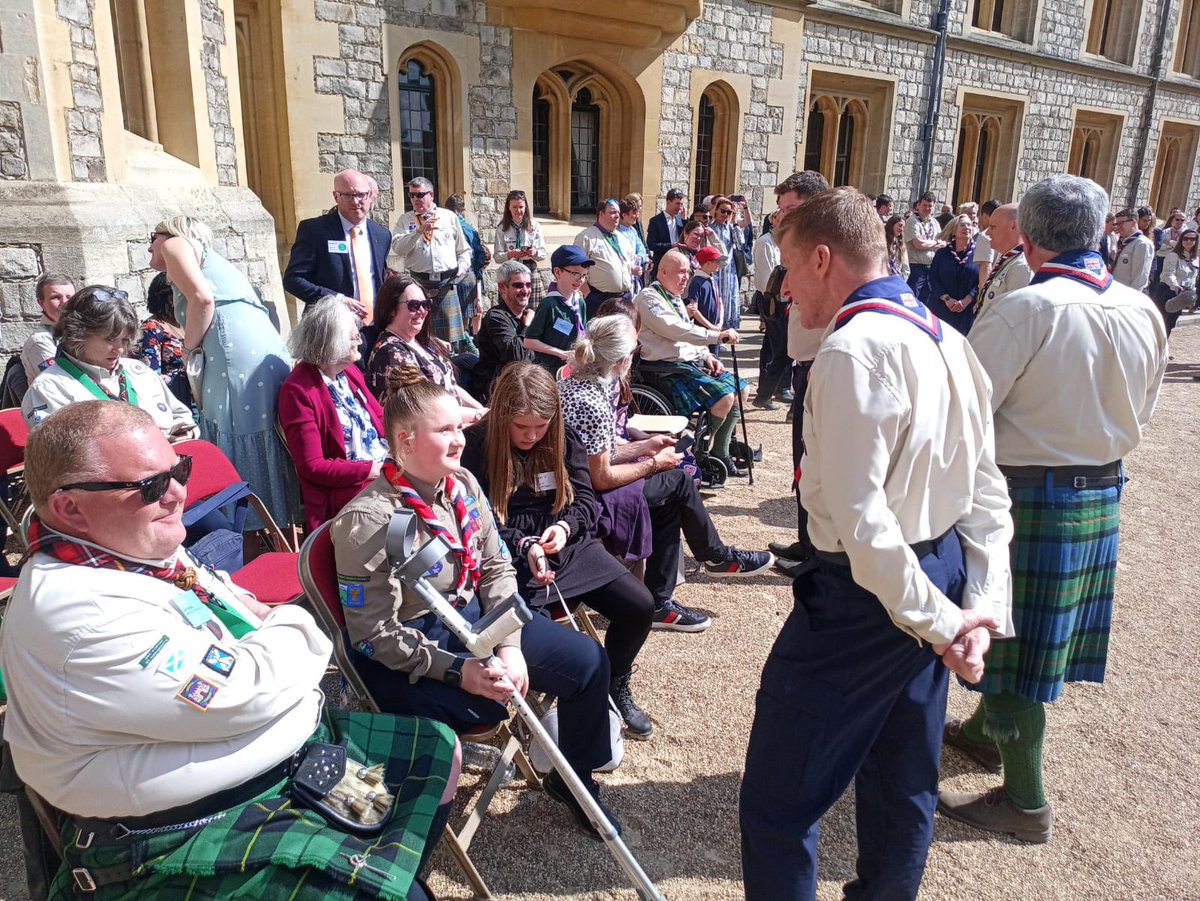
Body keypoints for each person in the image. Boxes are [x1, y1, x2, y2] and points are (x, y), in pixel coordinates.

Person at [0, 400, 457, 901]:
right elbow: (248, 690)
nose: (179, 494)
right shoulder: (78, 616)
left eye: (179, 469)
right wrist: (296, 622)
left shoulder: (135, 548)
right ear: (70, 507)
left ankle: (389, 867)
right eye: (151, 486)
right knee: (393, 895)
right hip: (170, 835)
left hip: (279, 768)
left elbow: (248, 656)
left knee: (440, 750)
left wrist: (268, 643)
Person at [739, 187, 1014, 901]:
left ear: (824, 257)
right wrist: (973, 608)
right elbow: (985, 496)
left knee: (779, 803)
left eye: (790, 269)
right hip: (934, 573)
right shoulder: (949, 339)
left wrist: (958, 623)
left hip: (864, 598)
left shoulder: (854, 351)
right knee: (902, 784)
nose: (785, 289)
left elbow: (864, 525)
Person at [943, 174, 1167, 844]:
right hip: (1099, 490)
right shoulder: (1143, 309)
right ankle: (985, 733)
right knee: (1033, 642)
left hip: (1024, 493)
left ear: (1030, 236)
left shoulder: (1026, 306)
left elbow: (966, 406)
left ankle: (1025, 800)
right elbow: (1144, 413)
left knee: (1012, 649)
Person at [331, 366, 621, 836]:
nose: (459, 439)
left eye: (459, 427)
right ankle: (404, 837)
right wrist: (457, 671)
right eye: (444, 430)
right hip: (413, 644)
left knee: (588, 662)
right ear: (404, 441)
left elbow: (496, 567)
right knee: (471, 722)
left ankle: (575, 778)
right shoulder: (369, 521)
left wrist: (509, 644)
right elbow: (373, 635)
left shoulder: (461, 484)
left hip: (473, 620)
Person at [461, 362, 656, 738]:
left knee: (640, 606)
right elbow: (477, 519)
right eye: (522, 427)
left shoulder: (561, 436)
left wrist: (566, 527)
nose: (533, 435)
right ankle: (559, 705)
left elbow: (585, 497)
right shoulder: (475, 446)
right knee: (543, 639)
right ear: (502, 416)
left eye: (541, 425)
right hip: (510, 557)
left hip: (567, 545)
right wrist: (525, 544)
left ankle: (615, 682)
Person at [559, 315, 774, 633]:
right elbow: (599, 477)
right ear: (621, 359)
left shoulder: (582, 382)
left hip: (580, 484)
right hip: (585, 499)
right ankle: (711, 560)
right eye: (635, 348)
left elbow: (599, 453)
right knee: (676, 481)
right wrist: (653, 462)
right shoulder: (593, 398)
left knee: (673, 490)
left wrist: (645, 445)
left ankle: (673, 590)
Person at [148, 216, 295, 529]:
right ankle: (270, 525)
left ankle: (248, 529)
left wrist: (188, 348)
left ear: (170, 234)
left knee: (238, 429)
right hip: (251, 351)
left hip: (232, 355)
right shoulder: (207, 259)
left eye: (153, 237)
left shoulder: (175, 244)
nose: (149, 246)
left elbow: (202, 299)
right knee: (258, 430)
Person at [23, 285, 197, 442]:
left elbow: (182, 416)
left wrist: (184, 433)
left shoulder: (139, 372)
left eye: (125, 340)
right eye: (110, 339)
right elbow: (60, 457)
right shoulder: (49, 388)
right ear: (78, 334)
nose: (119, 349)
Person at [632, 250, 749, 476]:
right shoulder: (649, 298)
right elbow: (676, 330)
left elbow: (689, 338)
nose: (686, 277)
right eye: (681, 272)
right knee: (724, 398)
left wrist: (708, 356)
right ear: (663, 272)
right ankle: (701, 452)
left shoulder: (674, 297)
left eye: (688, 272)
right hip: (665, 369)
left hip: (690, 364)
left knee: (742, 390)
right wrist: (716, 335)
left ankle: (720, 450)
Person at [278, 296, 388, 533]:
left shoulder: (348, 373)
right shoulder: (298, 390)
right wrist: (371, 470)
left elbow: (379, 420)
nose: (359, 341)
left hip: (382, 466)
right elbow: (312, 466)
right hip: (350, 487)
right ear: (331, 344)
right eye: (353, 337)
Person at [766, 170, 830, 576]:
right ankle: (806, 541)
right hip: (804, 363)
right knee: (801, 460)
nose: (782, 216)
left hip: (822, 364)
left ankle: (817, 553)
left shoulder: (826, 249)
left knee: (816, 461)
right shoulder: (800, 246)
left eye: (790, 208)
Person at [283, 169, 392, 354]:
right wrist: (337, 300)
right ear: (336, 196)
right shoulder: (315, 231)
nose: (356, 201)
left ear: (370, 195)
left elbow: (379, 281)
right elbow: (293, 280)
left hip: (374, 333)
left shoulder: (382, 235)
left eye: (361, 195)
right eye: (348, 195)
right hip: (332, 333)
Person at [366, 275, 486, 422]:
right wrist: (478, 416)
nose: (422, 311)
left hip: (453, 422)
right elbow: (423, 410)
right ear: (391, 309)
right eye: (414, 305)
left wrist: (481, 410)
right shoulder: (390, 352)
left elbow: (451, 387)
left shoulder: (424, 343)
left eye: (426, 304)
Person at [391, 177, 474, 353]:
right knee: (420, 335)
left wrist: (463, 266)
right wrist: (418, 232)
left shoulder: (448, 217)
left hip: (446, 285)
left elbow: (464, 250)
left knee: (450, 343)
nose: (415, 199)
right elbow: (398, 248)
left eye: (420, 195)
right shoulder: (405, 220)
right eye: (412, 195)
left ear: (431, 195)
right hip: (418, 285)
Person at [523, 245, 594, 373]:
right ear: (557, 272)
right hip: (548, 370)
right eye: (575, 274)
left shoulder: (580, 302)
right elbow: (529, 341)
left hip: (572, 369)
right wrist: (561, 353)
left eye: (584, 275)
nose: (580, 280)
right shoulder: (549, 305)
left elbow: (582, 332)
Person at [473, 260, 536, 401]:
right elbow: (517, 358)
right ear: (502, 288)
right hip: (500, 393)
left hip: (526, 386)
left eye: (528, 284)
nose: (525, 290)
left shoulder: (527, 315)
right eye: (518, 285)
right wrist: (527, 327)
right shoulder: (496, 317)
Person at [751, 209, 791, 409]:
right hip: (773, 299)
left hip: (784, 299)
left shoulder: (783, 243)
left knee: (771, 346)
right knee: (782, 349)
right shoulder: (765, 242)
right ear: (774, 221)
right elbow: (769, 278)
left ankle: (776, 389)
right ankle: (767, 392)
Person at [137, 272, 191, 407]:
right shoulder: (151, 330)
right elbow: (150, 377)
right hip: (176, 403)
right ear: (170, 299)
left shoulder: (187, 323)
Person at [972, 202, 1032, 320]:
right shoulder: (1006, 259)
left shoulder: (1021, 266)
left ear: (1013, 226)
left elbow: (1015, 319)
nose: (988, 232)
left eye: (993, 227)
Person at [574, 199, 634, 317]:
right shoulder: (586, 237)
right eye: (612, 212)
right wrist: (587, 294)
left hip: (624, 298)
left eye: (618, 212)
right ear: (601, 214)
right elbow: (576, 268)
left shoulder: (623, 238)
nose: (617, 216)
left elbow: (628, 262)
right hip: (600, 299)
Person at [444, 192, 489, 337]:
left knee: (454, 318)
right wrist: (479, 287)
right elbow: (479, 258)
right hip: (467, 276)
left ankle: (459, 347)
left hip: (446, 277)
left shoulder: (442, 228)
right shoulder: (469, 229)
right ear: (463, 211)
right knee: (471, 315)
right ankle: (472, 343)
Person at [494, 189, 547, 307]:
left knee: (534, 311)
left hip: (530, 270)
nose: (518, 211)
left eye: (521, 207)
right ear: (508, 208)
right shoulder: (502, 228)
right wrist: (510, 254)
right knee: (510, 309)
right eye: (514, 207)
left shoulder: (535, 226)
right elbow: (497, 257)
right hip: (509, 272)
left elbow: (543, 253)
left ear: (526, 207)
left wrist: (535, 252)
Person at [928, 214, 980, 334]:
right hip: (942, 308)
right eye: (962, 225)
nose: (966, 228)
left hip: (966, 311)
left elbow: (981, 281)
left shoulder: (978, 254)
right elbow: (933, 278)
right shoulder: (942, 253)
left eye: (969, 225)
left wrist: (967, 300)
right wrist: (947, 299)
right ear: (953, 231)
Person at [21, 273, 74, 383]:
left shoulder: (80, 332)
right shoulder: (40, 341)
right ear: (41, 303)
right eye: (56, 297)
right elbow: (61, 382)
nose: (64, 302)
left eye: (69, 297)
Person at [1153, 227, 1199, 334]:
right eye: (1186, 238)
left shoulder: (1195, 259)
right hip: (1167, 291)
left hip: (1181, 296)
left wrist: (1191, 298)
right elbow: (1168, 273)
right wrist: (1175, 285)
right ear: (1181, 240)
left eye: (1192, 239)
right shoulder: (1173, 256)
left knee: (1170, 325)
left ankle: (1162, 348)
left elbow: (1192, 279)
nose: (1189, 241)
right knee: (1159, 323)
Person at [709, 196, 744, 329]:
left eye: (729, 212)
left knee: (728, 299)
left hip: (729, 270)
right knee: (716, 299)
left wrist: (735, 222)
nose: (725, 215)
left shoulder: (730, 228)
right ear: (716, 210)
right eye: (723, 211)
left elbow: (740, 243)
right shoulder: (710, 227)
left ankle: (726, 328)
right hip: (714, 269)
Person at [685, 245, 726, 354]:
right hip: (703, 330)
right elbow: (694, 308)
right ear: (708, 263)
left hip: (716, 327)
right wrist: (709, 326)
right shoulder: (696, 282)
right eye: (716, 262)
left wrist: (720, 322)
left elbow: (719, 301)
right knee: (705, 358)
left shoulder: (713, 279)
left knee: (715, 355)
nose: (719, 264)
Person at [904, 191, 944, 303]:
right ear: (918, 205)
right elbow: (918, 244)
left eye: (930, 206)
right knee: (912, 300)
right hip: (916, 268)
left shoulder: (935, 223)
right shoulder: (912, 221)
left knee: (926, 302)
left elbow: (942, 244)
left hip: (931, 268)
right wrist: (934, 243)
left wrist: (928, 243)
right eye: (924, 205)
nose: (927, 208)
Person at [1111, 207, 1154, 292]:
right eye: (1116, 224)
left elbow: (1139, 279)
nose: (1118, 227)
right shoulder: (1123, 242)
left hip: (1128, 296)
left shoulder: (1142, 244)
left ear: (1133, 223)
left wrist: (1130, 300)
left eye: (1121, 223)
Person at [646, 188, 687, 276]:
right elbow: (651, 244)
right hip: (662, 263)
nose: (679, 207)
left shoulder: (680, 220)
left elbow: (686, 238)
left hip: (678, 263)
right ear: (668, 202)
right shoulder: (656, 221)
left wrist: (685, 220)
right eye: (677, 204)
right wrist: (670, 245)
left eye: (681, 204)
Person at [616, 199, 649, 293]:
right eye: (633, 213)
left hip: (635, 277)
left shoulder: (633, 231)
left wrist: (639, 258)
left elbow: (641, 248)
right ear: (624, 215)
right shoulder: (618, 233)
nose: (636, 216)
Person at [974, 199, 1001, 292]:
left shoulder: (985, 235)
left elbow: (986, 267)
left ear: (985, 216)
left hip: (991, 288)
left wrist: (982, 294)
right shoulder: (1008, 231)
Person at [884, 214, 909, 281]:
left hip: (897, 280)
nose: (901, 229)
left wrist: (902, 281)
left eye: (903, 227)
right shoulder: (882, 242)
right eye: (900, 225)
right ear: (892, 224)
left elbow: (905, 267)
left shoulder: (900, 244)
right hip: (884, 280)